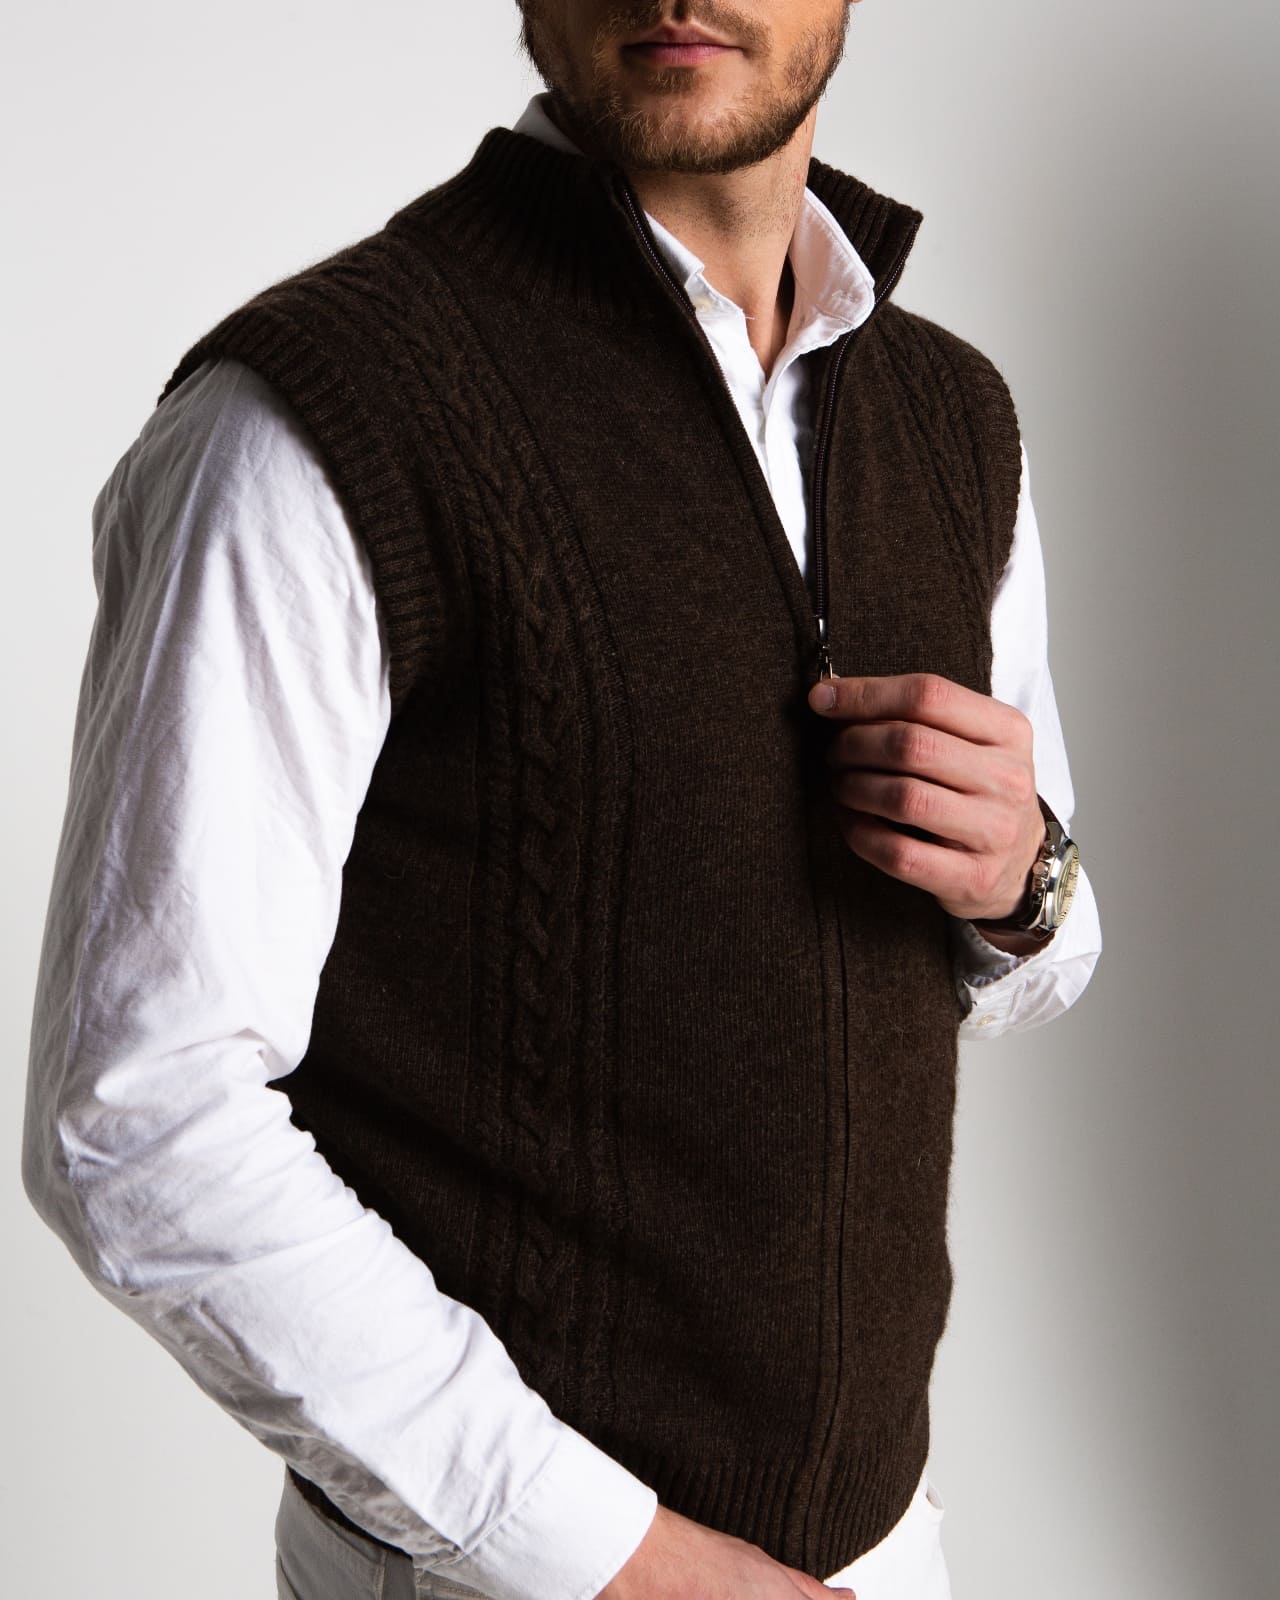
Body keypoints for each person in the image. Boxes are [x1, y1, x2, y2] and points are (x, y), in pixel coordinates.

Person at [21, 4, 1102, 1599]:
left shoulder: (950, 417)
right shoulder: (313, 413)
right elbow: (137, 1116)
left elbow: (1037, 958)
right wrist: (619, 1558)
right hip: (515, 1577)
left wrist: (1023, 878)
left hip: (888, 1550)